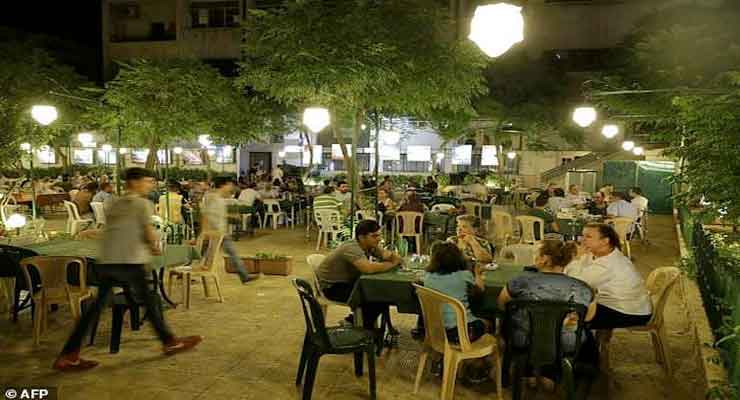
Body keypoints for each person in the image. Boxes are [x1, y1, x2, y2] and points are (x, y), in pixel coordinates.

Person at [53, 168, 201, 371]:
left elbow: (112, 229)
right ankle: (169, 342)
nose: (151, 185)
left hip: (108, 259)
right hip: (129, 261)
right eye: (148, 181)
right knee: (147, 301)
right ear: (135, 182)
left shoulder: (114, 202)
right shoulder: (142, 204)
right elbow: (148, 233)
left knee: (98, 308)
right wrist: (154, 247)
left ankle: (69, 354)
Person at [498, 239, 597, 389]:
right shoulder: (583, 288)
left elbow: (502, 305)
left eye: (536, 254)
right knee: (578, 333)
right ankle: (551, 374)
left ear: (545, 258)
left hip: (523, 340)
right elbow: (588, 317)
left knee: (513, 324)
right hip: (566, 344)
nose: (534, 257)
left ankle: (528, 372)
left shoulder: (519, 281)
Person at [317, 220, 402, 330]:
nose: (379, 239)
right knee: (379, 297)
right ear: (362, 237)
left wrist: (392, 257)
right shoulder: (352, 248)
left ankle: (358, 323)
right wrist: (392, 264)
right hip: (332, 287)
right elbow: (368, 269)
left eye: (379, 235)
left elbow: (387, 255)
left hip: (347, 282)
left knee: (382, 293)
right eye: (374, 236)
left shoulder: (368, 245)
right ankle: (359, 328)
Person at [565, 223, 652, 329]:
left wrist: (576, 258)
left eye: (588, 237)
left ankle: (586, 344)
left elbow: (575, 282)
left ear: (605, 241)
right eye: (582, 236)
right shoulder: (599, 253)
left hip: (630, 312)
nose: (582, 240)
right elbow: (577, 273)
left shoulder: (609, 264)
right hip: (618, 304)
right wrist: (579, 258)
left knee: (569, 317)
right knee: (572, 309)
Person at [424, 241, 489, 381]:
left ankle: (445, 359)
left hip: (437, 332)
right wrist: (477, 273)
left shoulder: (427, 277)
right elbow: (481, 289)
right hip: (461, 333)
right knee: (486, 323)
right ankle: (474, 365)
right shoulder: (464, 275)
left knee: (475, 322)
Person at [201, 176, 258, 284]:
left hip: (220, 233)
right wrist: (205, 231)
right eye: (230, 184)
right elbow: (205, 214)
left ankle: (244, 275)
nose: (231, 187)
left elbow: (216, 213)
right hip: (213, 233)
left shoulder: (220, 198)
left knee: (232, 253)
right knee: (200, 254)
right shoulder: (211, 197)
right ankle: (184, 268)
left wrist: (230, 215)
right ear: (223, 185)